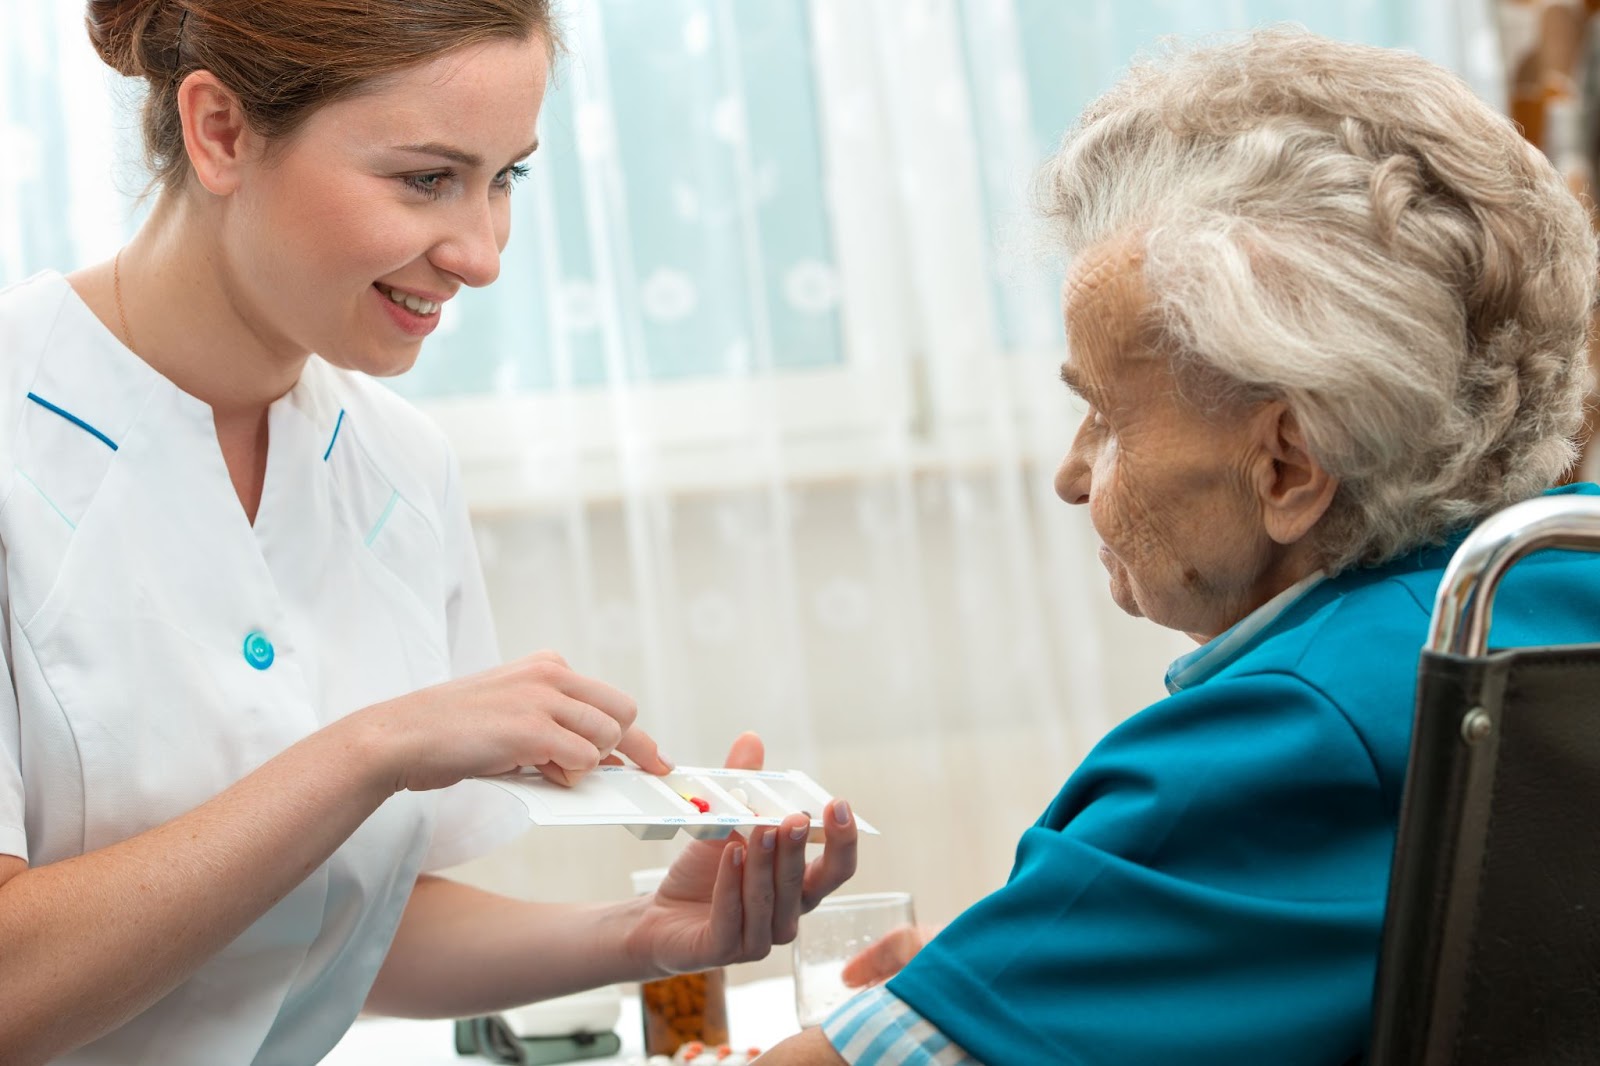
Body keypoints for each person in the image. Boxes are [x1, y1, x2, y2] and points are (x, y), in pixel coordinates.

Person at [0, 3, 858, 1063]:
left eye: (507, 178)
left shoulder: (397, 466)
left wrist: (645, 936)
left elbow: (334, 922)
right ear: (221, 131)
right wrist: (374, 748)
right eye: (425, 179)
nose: (483, 252)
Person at [761, 27, 1600, 1066]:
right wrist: (1035, 982)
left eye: (1106, 417)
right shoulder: (1562, 587)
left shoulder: (1283, 739)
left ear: (1287, 466)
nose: (1072, 475)